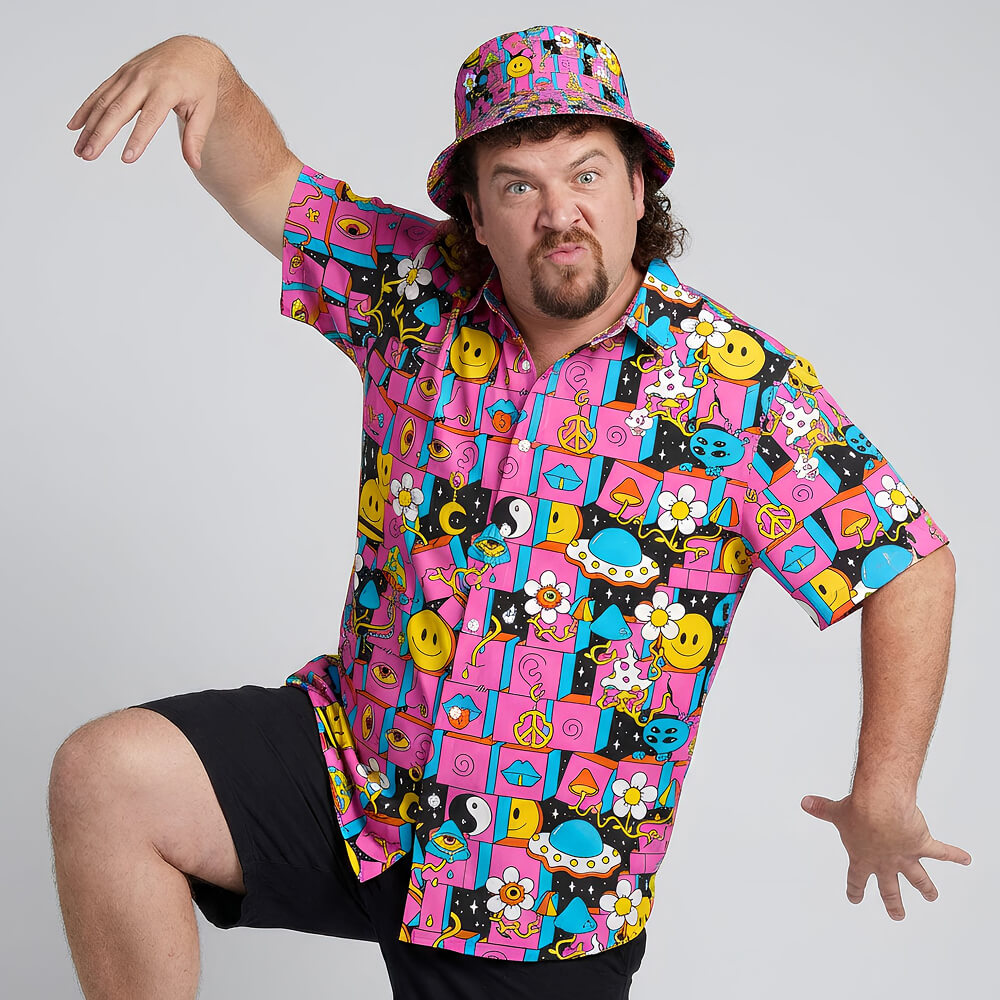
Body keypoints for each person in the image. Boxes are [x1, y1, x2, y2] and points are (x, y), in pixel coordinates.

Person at [53, 25, 970, 1000]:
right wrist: (208, 66)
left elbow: (906, 558)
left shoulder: (735, 391)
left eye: (584, 174)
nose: (557, 212)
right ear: (477, 216)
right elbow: (266, 177)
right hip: (362, 785)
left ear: (636, 190)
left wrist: (885, 788)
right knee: (112, 778)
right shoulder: (412, 295)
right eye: (518, 185)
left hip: (539, 886)